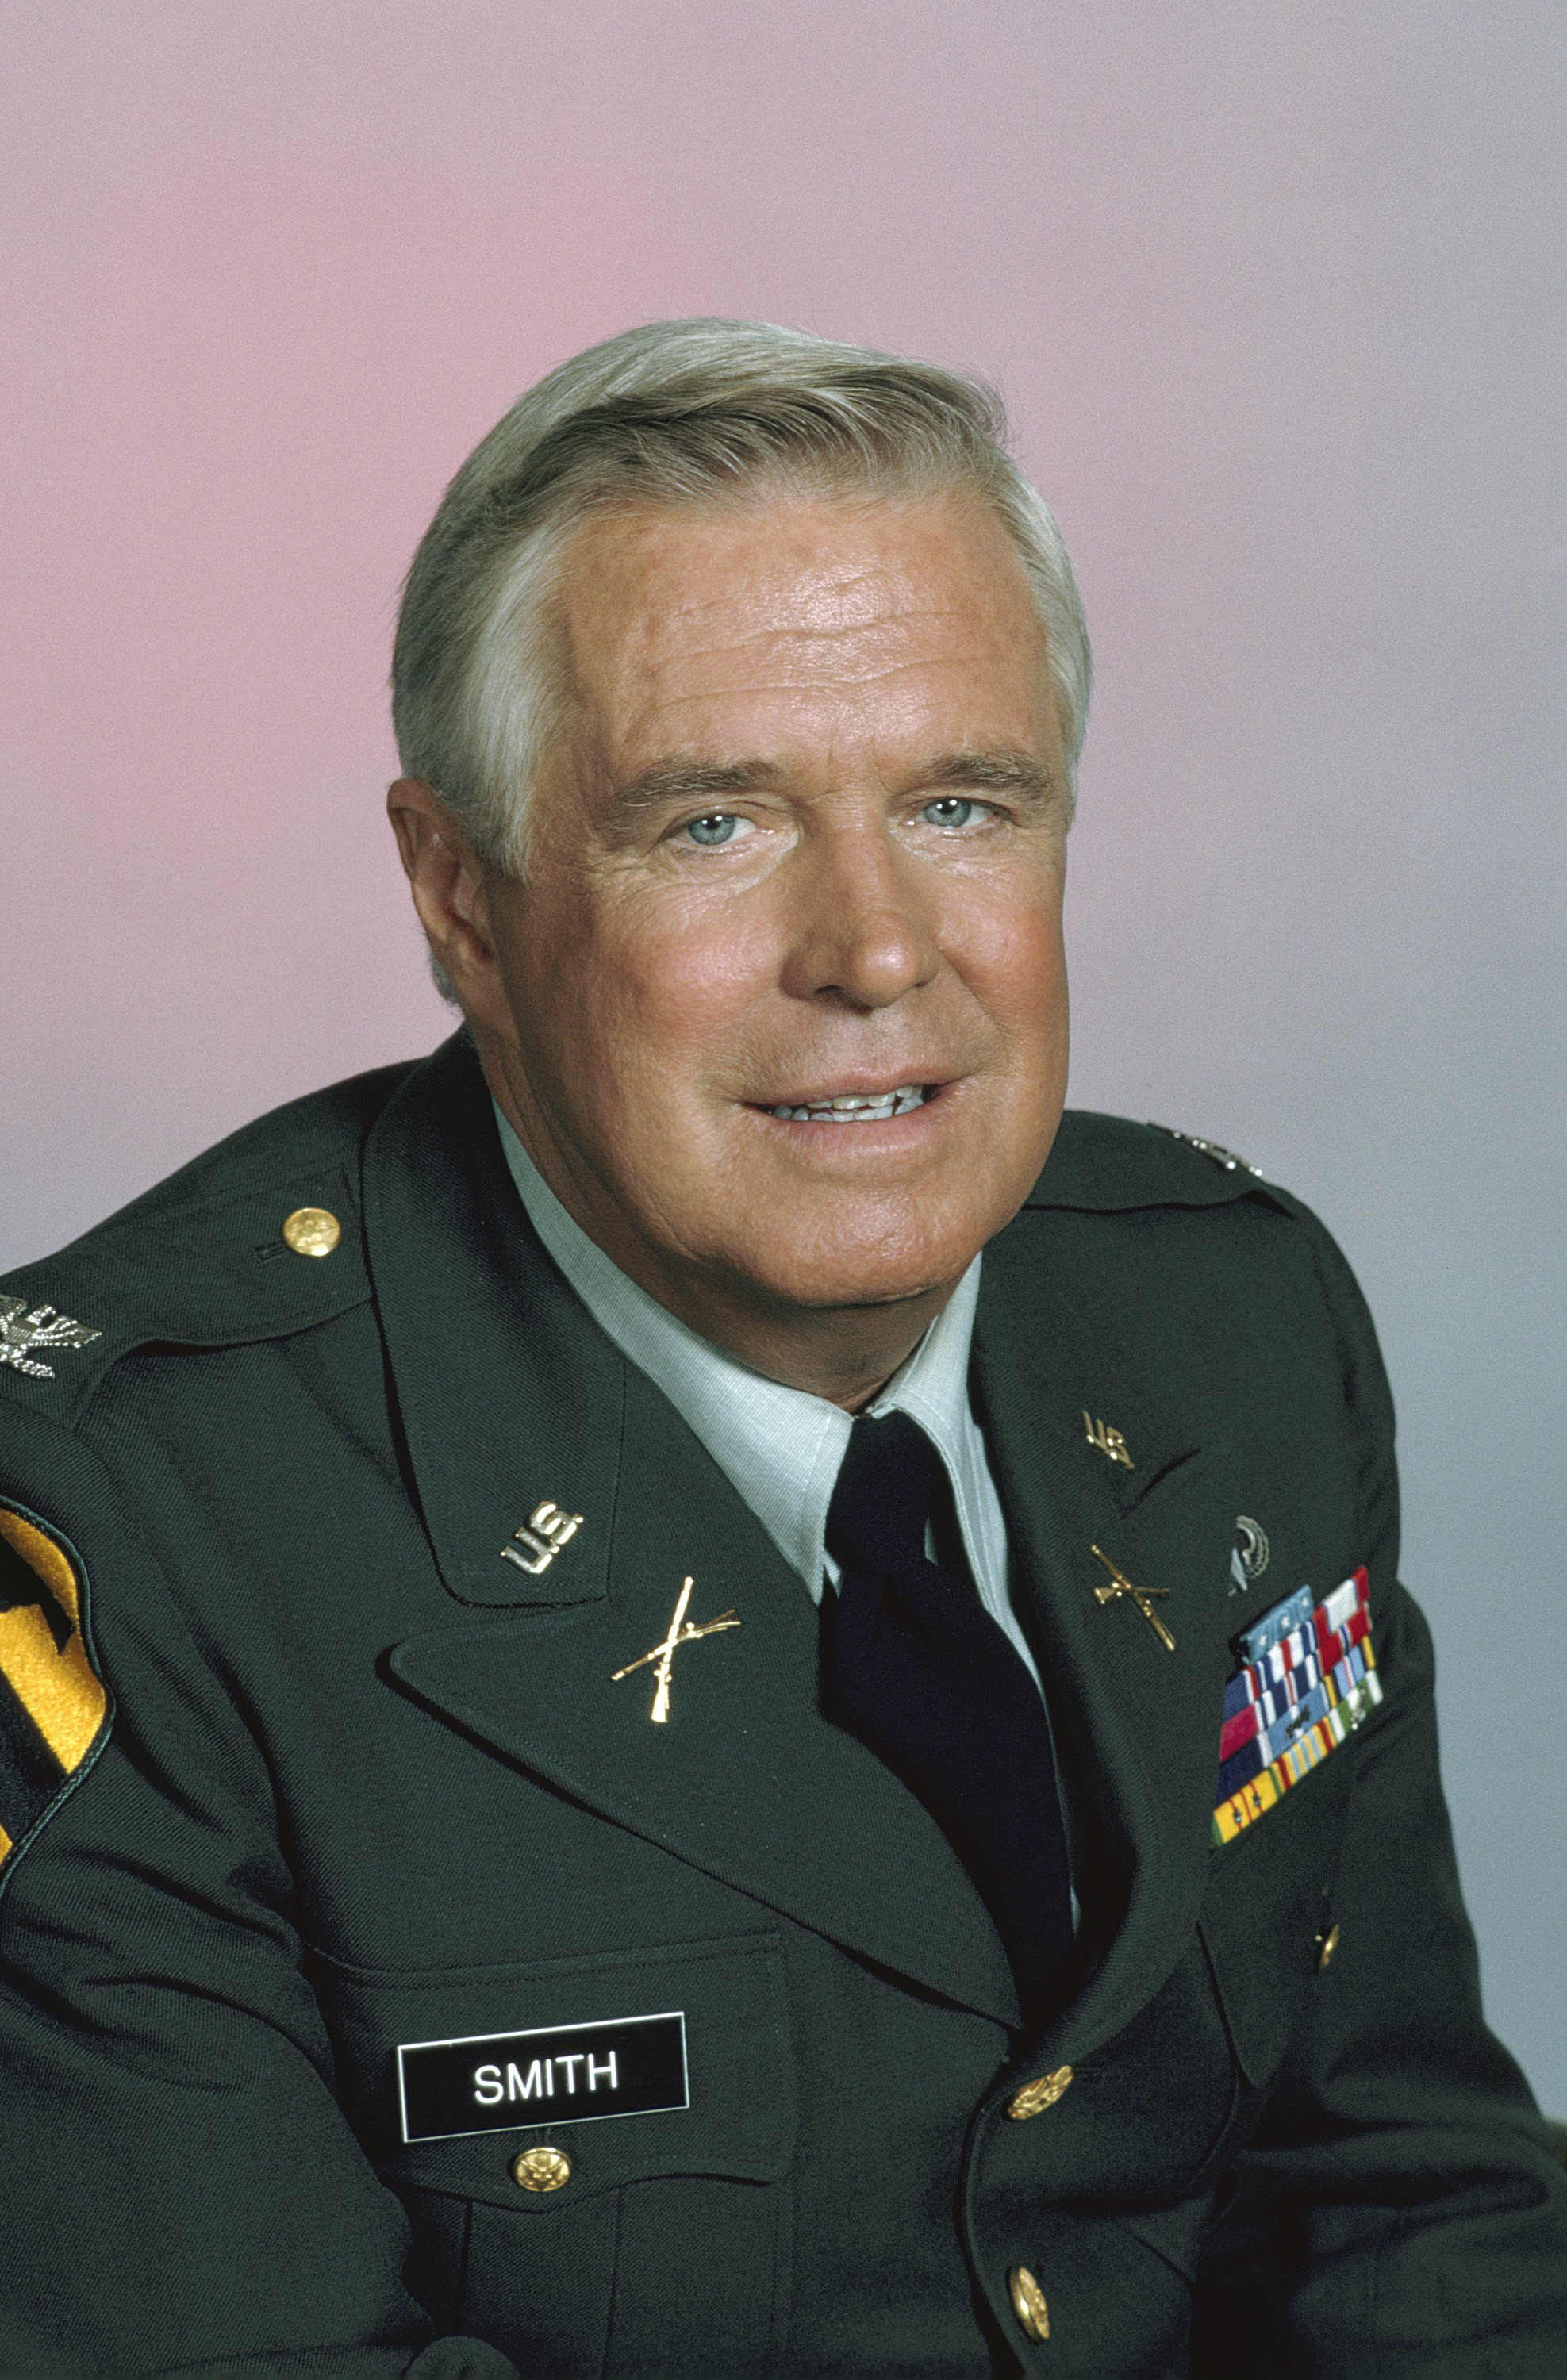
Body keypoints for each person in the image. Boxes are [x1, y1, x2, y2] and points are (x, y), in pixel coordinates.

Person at [1, 319, 1562, 2380]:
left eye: (964, 803)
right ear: (461, 896)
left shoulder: (1230, 1319)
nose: (879, 950)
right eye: (715, 824)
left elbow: (1407, 2201)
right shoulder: (132, 1521)